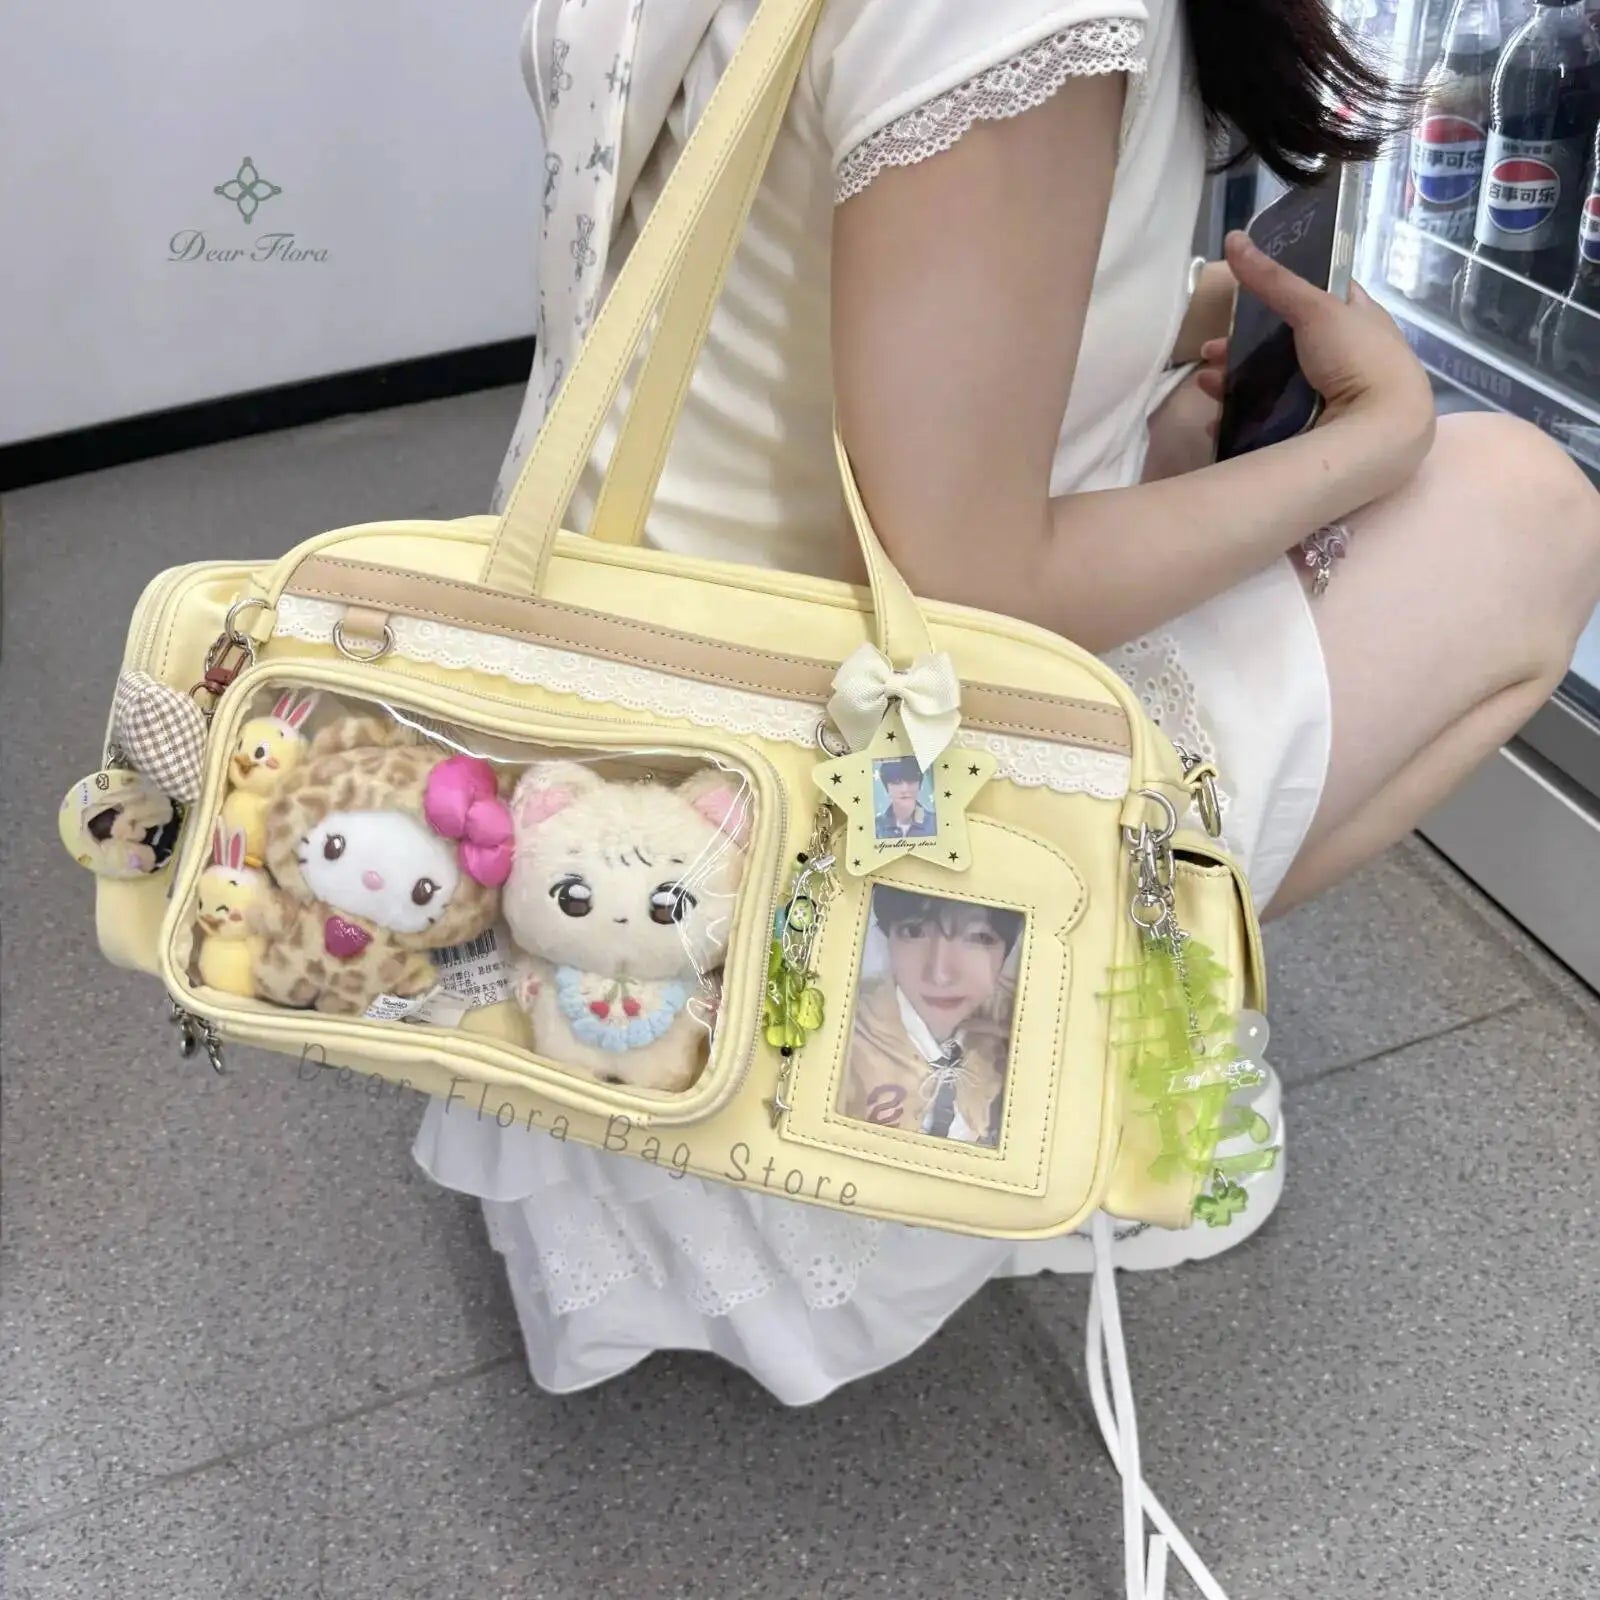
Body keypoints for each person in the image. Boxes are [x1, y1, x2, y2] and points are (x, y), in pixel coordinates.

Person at [415, 0, 1600, 1406]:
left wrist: (1140, 341)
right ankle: (1035, 1111)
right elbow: (967, 591)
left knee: (1185, 452)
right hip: (787, 961)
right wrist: (1372, 445)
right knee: (1523, 512)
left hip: (604, 811)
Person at [841, 889, 1022, 1146]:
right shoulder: (842, 1038)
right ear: (888, 936)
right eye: (914, 931)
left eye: (978, 937)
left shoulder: (1017, 1043)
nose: (940, 975)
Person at [873, 756, 936, 839]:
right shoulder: (875, 827)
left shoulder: (935, 823)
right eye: (897, 782)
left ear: (920, 785)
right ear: (886, 787)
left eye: (911, 780)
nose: (904, 789)